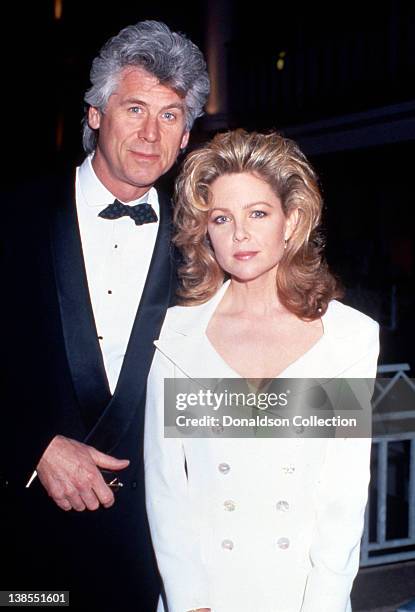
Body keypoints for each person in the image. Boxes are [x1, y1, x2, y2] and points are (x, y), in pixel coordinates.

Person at [2, 20, 209, 612]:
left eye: (170, 116)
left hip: (145, 551)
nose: (150, 133)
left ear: (186, 135)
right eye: (135, 108)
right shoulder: (14, 218)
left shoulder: (203, 242)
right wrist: (31, 446)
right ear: (95, 114)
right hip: (23, 546)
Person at [144, 129, 380, 612]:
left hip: (298, 594)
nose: (240, 235)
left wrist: (324, 604)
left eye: (258, 213)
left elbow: (342, 498)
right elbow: (167, 490)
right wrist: (191, 602)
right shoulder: (176, 337)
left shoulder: (347, 339)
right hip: (205, 594)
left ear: (291, 221)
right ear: (204, 231)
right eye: (222, 219)